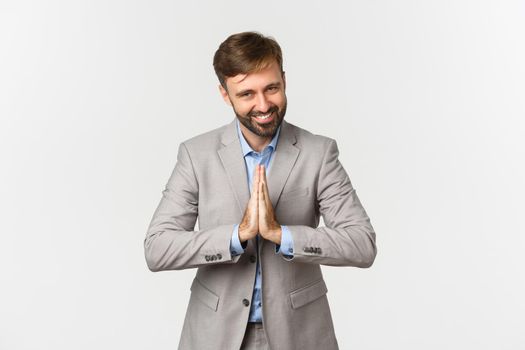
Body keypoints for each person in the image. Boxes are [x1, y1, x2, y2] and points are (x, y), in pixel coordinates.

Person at [144, 31, 377, 350]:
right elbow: (157, 248)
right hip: (215, 335)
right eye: (247, 94)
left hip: (299, 335)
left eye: (272, 88)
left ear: (284, 80)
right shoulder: (196, 155)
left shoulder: (318, 153)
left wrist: (282, 234)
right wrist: (237, 236)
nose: (263, 104)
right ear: (225, 94)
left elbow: (362, 244)